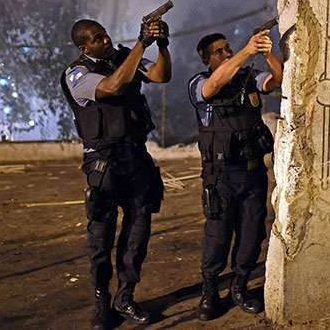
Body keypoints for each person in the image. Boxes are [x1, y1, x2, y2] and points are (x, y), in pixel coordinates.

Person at [60, 17, 171, 329]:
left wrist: (161, 43)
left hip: (136, 158)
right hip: (104, 164)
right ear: (85, 47)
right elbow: (111, 86)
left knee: (138, 233)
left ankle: (126, 296)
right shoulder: (77, 73)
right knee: (101, 239)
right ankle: (101, 303)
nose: (106, 39)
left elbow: (162, 74)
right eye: (98, 38)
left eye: (105, 33)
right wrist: (141, 44)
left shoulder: (126, 57)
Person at [188, 29, 283, 321]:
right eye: (220, 51)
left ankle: (239, 287)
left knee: (251, 234)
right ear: (207, 60)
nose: (227, 53)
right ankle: (210, 292)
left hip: (253, 172)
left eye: (228, 48)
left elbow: (277, 80)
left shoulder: (248, 78)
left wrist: (266, 52)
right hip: (221, 177)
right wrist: (247, 49)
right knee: (217, 235)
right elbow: (215, 84)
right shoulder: (200, 82)